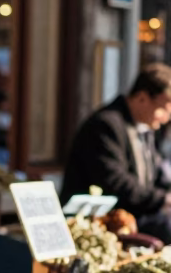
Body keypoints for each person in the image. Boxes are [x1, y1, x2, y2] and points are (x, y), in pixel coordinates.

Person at [61, 64, 171, 242]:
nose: (166, 118)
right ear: (142, 98)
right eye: (163, 110)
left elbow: (156, 174)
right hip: (101, 225)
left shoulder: (145, 128)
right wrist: (162, 199)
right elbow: (116, 182)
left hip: (134, 216)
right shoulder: (105, 125)